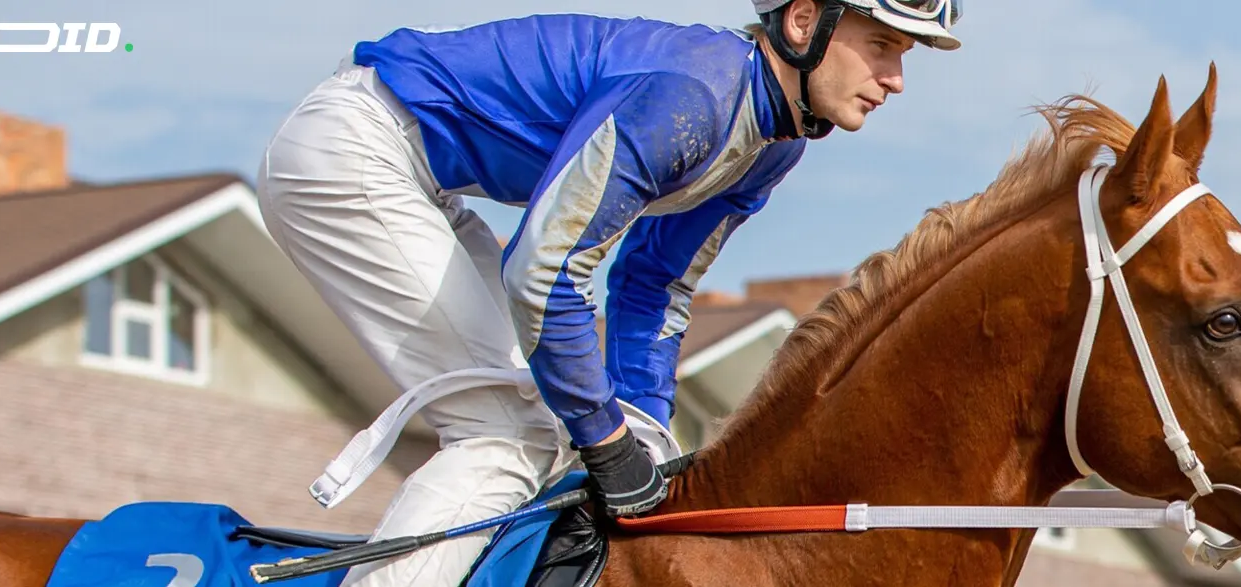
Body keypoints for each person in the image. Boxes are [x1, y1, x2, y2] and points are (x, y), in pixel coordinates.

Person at [254, 1, 962, 585]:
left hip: (415, 174)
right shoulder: (691, 97)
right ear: (805, 22)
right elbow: (543, 274)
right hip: (354, 150)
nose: (895, 78)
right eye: (882, 45)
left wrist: (643, 431)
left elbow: (654, 285)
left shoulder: (772, 143)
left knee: (550, 425)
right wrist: (607, 438)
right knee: (508, 426)